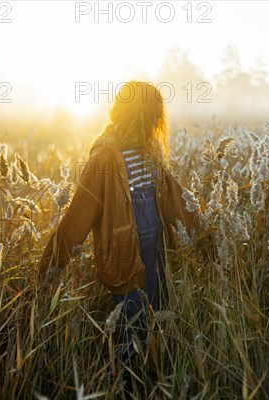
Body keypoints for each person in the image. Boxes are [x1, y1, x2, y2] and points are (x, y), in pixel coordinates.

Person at [37, 81, 201, 393]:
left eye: (158, 116)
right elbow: (78, 216)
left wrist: (206, 237)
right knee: (133, 330)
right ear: (137, 114)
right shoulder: (106, 157)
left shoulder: (149, 151)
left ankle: (152, 383)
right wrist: (50, 269)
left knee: (157, 323)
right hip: (126, 254)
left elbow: (175, 199)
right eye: (152, 114)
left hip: (158, 251)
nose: (156, 122)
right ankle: (128, 388)